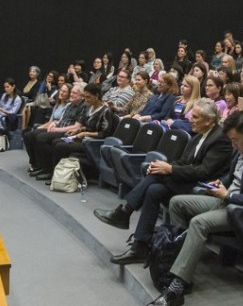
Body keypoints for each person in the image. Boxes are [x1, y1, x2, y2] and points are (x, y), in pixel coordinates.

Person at [143, 112, 243, 306]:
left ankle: (177, 287)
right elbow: (233, 177)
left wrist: (228, 196)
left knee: (199, 223)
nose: (233, 145)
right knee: (177, 203)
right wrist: (221, 183)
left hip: (241, 212)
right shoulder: (241, 149)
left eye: (235, 140)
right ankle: (178, 262)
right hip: (225, 200)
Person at [93, 99, 232, 263]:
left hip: (202, 190)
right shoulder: (198, 136)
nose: (190, 119)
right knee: (153, 188)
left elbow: (204, 171)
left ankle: (125, 211)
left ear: (209, 120)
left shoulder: (220, 139)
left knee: (157, 174)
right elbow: (183, 162)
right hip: (188, 182)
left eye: (195, 117)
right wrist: (164, 166)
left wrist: (170, 169)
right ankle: (140, 246)